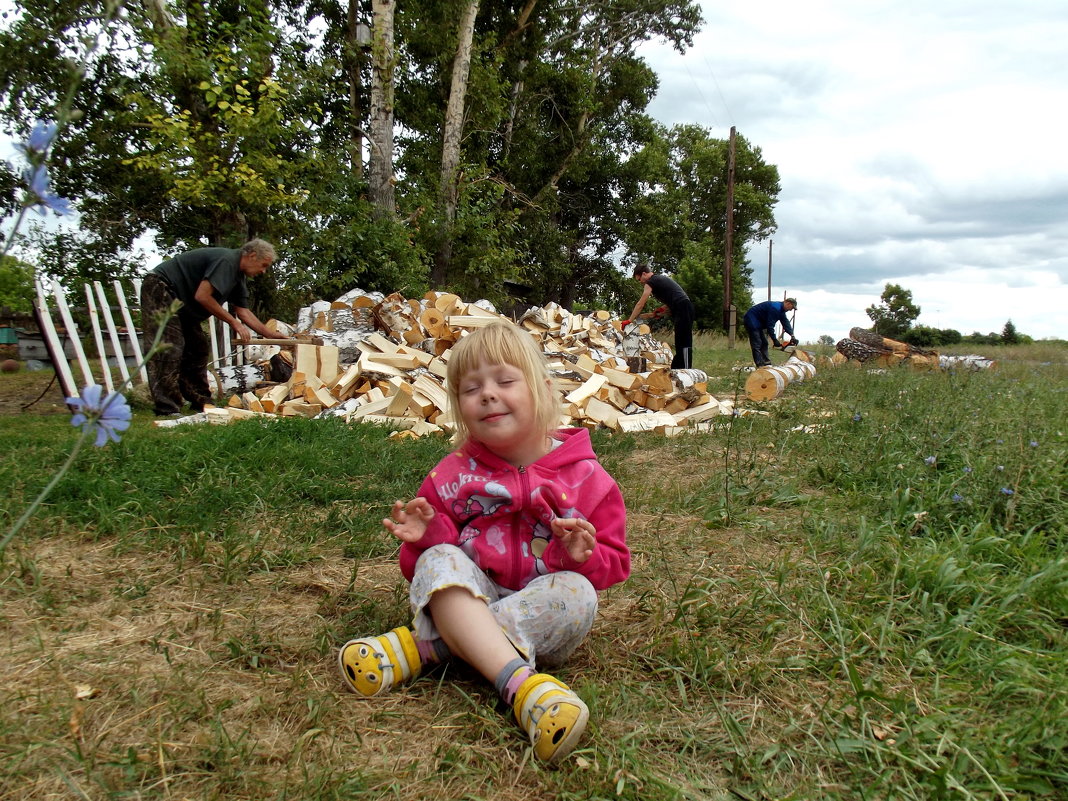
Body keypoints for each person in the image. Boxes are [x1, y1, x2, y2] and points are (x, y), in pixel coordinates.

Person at [338, 322, 630, 764]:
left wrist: (582, 557)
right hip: (471, 595)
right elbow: (424, 572)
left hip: (540, 610)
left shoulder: (588, 478)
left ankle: (428, 648)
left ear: (544, 390)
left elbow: (616, 564)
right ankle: (522, 688)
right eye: (470, 389)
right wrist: (426, 539)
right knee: (440, 556)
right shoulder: (453, 473)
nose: (487, 394)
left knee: (580, 594)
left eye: (505, 380)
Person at [140, 239, 284, 416]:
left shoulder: (238, 278)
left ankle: (201, 401)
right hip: (161, 287)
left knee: (198, 349)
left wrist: (271, 334)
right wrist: (233, 322)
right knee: (168, 348)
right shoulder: (227, 261)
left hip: (182, 303)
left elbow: (244, 312)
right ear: (252, 256)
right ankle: (167, 407)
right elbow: (203, 296)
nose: (263, 271)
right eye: (263, 265)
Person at [623, 264, 695, 369]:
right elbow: (672, 300)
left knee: (684, 340)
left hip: (683, 307)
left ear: (644, 274)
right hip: (682, 307)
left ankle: (686, 369)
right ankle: (678, 367)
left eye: (640, 279)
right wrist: (658, 312)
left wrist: (629, 321)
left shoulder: (651, 281)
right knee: (679, 340)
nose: (641, 282)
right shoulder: (659, 280)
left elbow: (640, 304)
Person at [742, 297, 797, 367]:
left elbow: (785, 323)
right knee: (757, 343)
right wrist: (774, 340)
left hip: (758, 322)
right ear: (788, 303)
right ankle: (760, 365)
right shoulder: (775, 308)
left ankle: (766, 363)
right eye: (791, 308)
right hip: (751, 319)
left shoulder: (781, 310)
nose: (790, 310)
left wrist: (792, 335)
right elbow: (770, 326)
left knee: (764, 343)